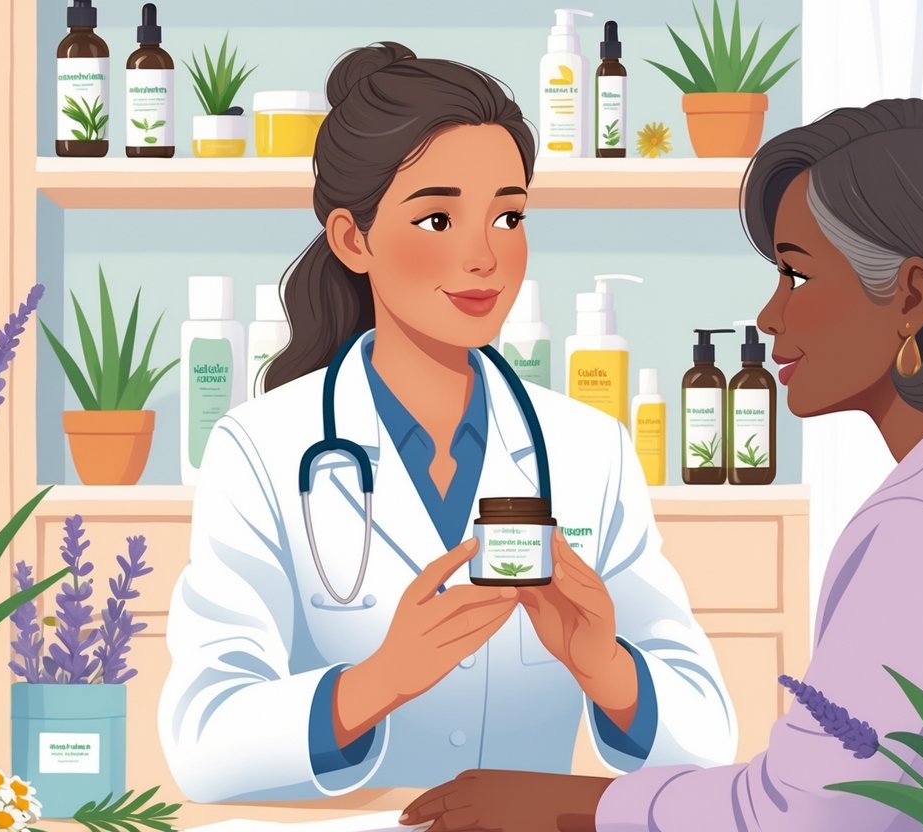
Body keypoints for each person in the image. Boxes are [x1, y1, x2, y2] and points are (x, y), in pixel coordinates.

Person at [402, 97, 923, 831]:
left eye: (796, 276)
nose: (769, 316)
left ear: (910, 296)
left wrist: (564, 806)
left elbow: (804, 811)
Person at [156, 42, 737, 803]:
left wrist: (607, 670)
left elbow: (708, 735)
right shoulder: (262, 449)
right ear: (352, 239)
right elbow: (202, 743)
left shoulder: (586, 450)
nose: (484, 257)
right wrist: (375, 684)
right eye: (437, 218)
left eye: (507, 216)